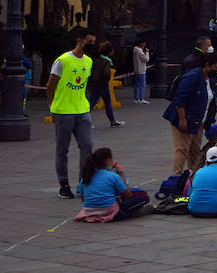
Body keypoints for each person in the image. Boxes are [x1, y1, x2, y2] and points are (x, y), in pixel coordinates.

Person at [47, 27, 97, 199]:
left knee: (87, 145)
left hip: (82, 109)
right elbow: (50, 84)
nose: (91, 45)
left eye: (93, 43)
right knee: (62, 150)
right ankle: (64, 185)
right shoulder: (62, 61)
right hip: (63, 111)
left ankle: (83, 183)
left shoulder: (89, 61)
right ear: (79, 40)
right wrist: (52, 103)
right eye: (89, 42)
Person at [163, 53, 217, 174]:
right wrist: (182, 119)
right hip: (186, 118)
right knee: (182, 149)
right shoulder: (192, 77)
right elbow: (180, 99)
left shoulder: (210, 79)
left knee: (195, 151)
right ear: (207, 65)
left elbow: (209, 99)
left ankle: (193, 177)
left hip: (199, 121)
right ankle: (176, 177)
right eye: (216, 66)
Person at [73, 148, 148, 222]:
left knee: (136, 192)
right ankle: (120, 214)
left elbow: (83, 198)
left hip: (89, 210)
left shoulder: (86, 176)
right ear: (108, 160)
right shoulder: (112, 176)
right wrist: (121, 175)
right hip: (108, 211)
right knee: (142, 198)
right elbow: (128, 194)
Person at [86, 40, 122, 128]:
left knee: (91, 103)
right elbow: (106, 73)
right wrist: (108, 77)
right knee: (107, 103)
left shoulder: (96, 60)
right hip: (103, 84)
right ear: (109, 52)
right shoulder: (107, 62)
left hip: (94, 84)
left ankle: (85, 121)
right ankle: (113, 121)